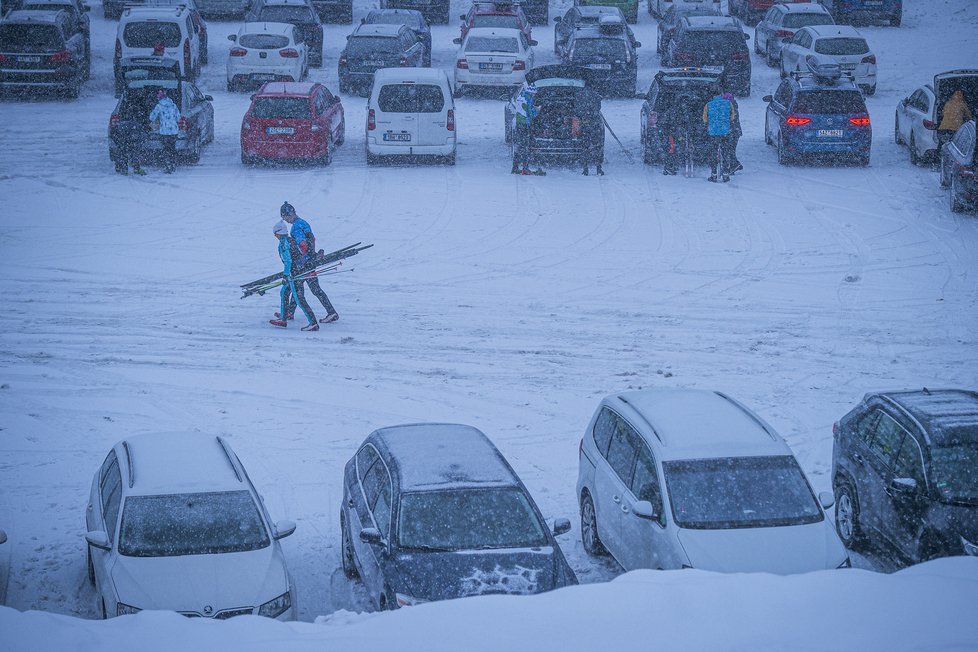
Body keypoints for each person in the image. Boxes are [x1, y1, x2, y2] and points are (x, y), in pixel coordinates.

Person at [278, 201, 339, 324]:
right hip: (311, 260)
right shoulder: (303, 223)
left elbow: (302, 244)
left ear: (289, 215)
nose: (285, 220)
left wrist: (301, 260)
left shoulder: (296, 227)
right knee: (301, 288)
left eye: (284, 217)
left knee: (297, 288)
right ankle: (290, 312)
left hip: (305, 264)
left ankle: (331, 312)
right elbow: (311, 240)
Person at [269, 220, 319, 331]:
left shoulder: (283, 243)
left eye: (275, 233)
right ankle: (283, 318)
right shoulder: (291, 240)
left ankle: (313, 323)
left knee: (299, 299)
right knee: (284, 292)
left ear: (278, 233)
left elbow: (288, 261)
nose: (275, 236)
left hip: (294, 274)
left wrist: (286, 275)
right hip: (299, 271)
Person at [703, 92, 735, 182]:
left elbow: (705, 119)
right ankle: (725, 174)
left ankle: (713, 175)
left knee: (713, 153)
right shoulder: (728, 103)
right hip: (725, 132)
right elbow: (732, 117)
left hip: (713, 133)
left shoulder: (708, 105)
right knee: (725, 153)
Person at [512, 84, 541, 175]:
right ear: (532, 93)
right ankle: (525, 168)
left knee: (519, 146)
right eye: (534, 94)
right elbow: (530, 113)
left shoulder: (520, 96)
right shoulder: (529, 98)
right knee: (526, 147)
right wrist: (537, 110)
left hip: (518, 124)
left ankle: (515, 167)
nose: (534, 95)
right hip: (525, 125)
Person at [149, 89, 179, 173]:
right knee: (172, 148)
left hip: (164, 132)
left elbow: (152, 117)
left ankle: (167, 166)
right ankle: (173, 164)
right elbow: (178, 117)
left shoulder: (159, 106)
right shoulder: (173, 105)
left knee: (165, 149)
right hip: (174, 131)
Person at [112, 103, 147, 176]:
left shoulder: (121, 124)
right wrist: (142, 141)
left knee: (122, 153)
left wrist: (117, 141)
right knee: (135, 154)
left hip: (124, 141)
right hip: (133, 141)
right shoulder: (137, 124)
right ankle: (136, 169)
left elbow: (114, 132)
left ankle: (123, 168)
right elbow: (142, 134)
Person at [579, 88, 604, 176]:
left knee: (585, 147)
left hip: (585, 126)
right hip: (595, 126)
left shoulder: (580, 96)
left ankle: (585, 169)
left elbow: (578, 111)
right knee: (597, 147)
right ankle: (598, 168)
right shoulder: (596, 96)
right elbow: (598, 108)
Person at [725, 92, 743, 174]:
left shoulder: (730, 107)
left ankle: (734, 165)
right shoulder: (733, 106)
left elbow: (731, 120)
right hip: (735, 131)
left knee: (729, 150)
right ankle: (734, 165)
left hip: (733, 131)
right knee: (730, 150)